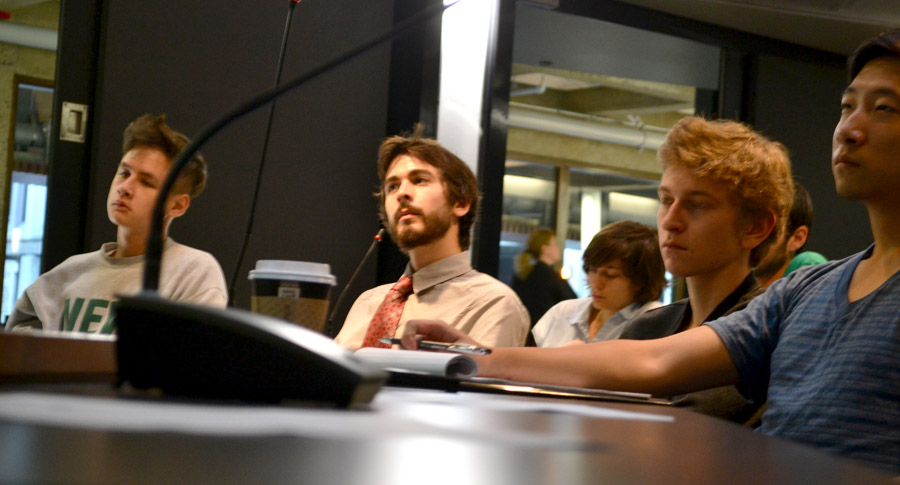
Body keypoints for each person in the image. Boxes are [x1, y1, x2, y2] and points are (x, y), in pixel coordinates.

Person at [400, 29, 900, 474]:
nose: (849, 128)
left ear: (757, 228)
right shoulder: (806, 290)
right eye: (846, 106)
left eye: (883, 108)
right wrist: (473, 357)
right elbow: (656, 362)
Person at [6, 114, 228, 334]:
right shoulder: (67, 274)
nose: (125, 187)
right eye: (124, 173)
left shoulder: (193, 272)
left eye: (146, 182)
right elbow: (17, 355)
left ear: (178, 205)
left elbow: (192, 362)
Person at [334, 125, 528, 350]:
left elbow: (474, 383)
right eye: (392, 186)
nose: (402, 193)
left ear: (461, 203)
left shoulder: (493, 303)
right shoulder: (367, 302)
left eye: (419, 180)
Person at [531, 221, 665, 347]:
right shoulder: (563, 312)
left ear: (641, 279)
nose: (596, 284)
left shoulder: (656, 320)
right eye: (592, 270)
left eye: (610, 275)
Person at [753, 181, 828, 288]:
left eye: (770, 227)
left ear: (798, 238)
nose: (755, 235)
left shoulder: (809, 264)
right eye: (753, 225)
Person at [511, 228, 576, 344]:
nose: (558, 248)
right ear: (544, 249)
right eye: (555, 244)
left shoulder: (524, 273)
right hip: (548, 338)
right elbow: (571, 303)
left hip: (526, 337)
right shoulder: (549, 276)